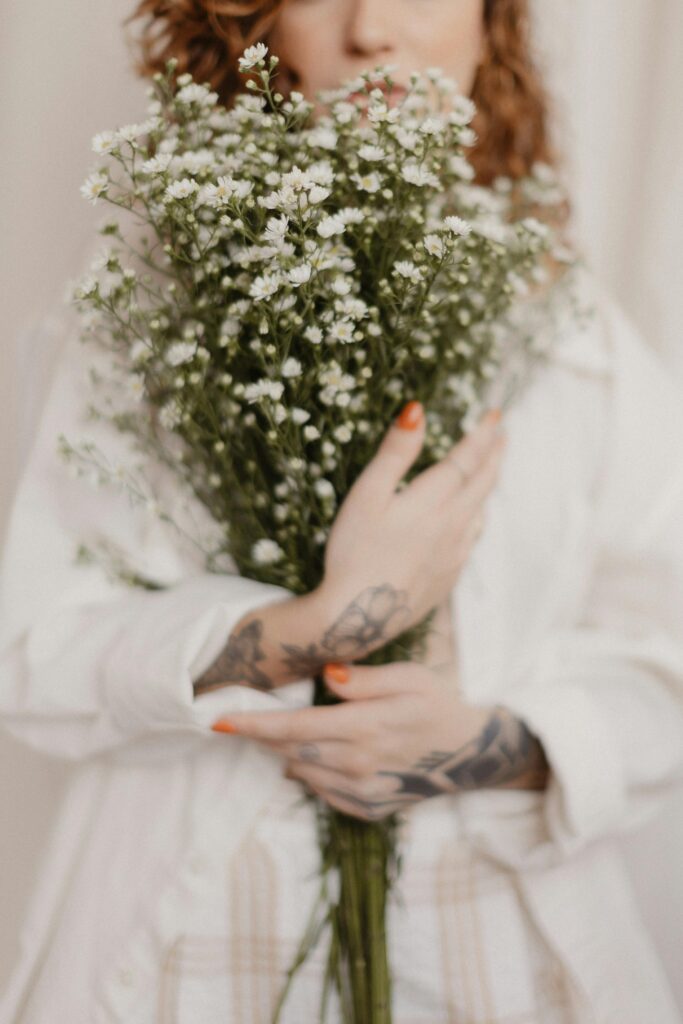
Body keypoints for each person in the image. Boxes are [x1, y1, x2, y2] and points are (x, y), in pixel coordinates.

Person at [2, 0, 683, 1020]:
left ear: (492, 22)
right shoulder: (133, 322)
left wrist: (481, 740)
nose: (371, 28)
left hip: (497, 955)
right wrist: (308, 629)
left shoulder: (571, 329)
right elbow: (30, 650)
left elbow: (664, 663)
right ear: (247, 26)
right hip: (182, 948)